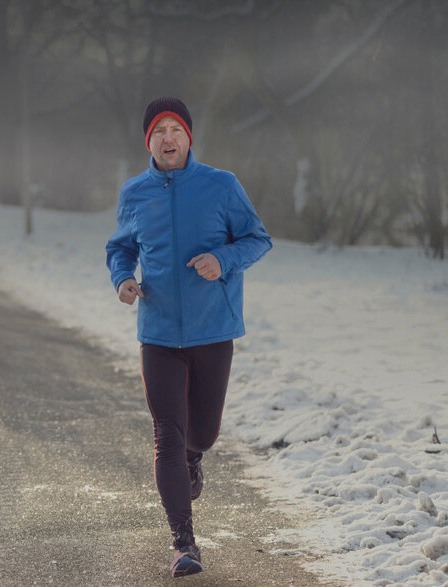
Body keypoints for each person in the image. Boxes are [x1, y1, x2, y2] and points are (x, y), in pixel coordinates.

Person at [105, 97, 272, 577]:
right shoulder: (134, 192)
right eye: (158, 131)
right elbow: (120, 247)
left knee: (202, 432)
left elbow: (257, 238)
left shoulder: (221, 186)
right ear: (148, 142)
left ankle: (195, 457)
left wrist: (223, 260)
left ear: (189, 137)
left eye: (175, 129)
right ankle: (183, 542)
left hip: (212, 330)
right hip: (157, 332)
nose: (167, 138)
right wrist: (123, 278)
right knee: (167, 434)